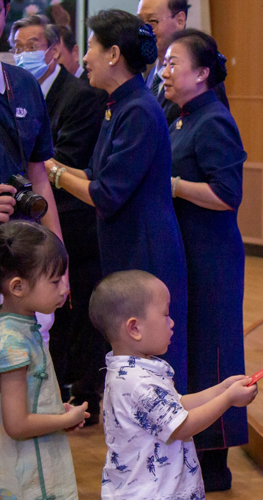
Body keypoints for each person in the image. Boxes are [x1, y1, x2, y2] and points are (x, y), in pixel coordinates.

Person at [43, 9, 189, 392]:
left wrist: (52, 173)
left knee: (150, 367)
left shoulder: (138, 109)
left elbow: (106, 193)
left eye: (90, 46)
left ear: (112, 54)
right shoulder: (117, 105)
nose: (84, 58)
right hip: (126, 242)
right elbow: (95, 176)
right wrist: (49, 164)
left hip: (145, 249)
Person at [161, 28, 247, 491]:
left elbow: (226, 194)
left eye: (175, 64)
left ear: (202, 73)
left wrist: (172, 184)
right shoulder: (179, 115)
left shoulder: (214, 119)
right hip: (188, 249)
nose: (166, 71)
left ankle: (216, 462)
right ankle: (194, 450)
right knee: (191, 351)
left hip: (212, 254)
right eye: (165, 63)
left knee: (213, 351)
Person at [89, 270, 258, 500]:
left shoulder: (136, 369)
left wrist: (221, 389)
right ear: (134, 328)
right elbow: (182, 426)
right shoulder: (138, 383)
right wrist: (227, 400)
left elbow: (175, 407)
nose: (172, 322)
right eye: (166, 314)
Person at [11, 14, 107, 420]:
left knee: (59, 329)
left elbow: (51, 169)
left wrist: (58, 257)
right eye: (19, 46)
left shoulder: (57, 92)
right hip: (22, 232)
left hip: (47, 231)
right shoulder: (22, 87)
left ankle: (64, 405)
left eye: (32, 46)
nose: (24, 54)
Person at [0, 221, 89, 500]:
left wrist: (57, 414)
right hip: (27, 469)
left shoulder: (24, 328)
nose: (64, 288)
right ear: (18, 286)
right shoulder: (11, 341)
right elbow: (16, 424)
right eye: (54, 281)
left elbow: (29, 399)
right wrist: (61, 419)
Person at [0, 1, 62, 239]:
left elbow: (38, 177)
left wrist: (59, 259)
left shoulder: (25, 84)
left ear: (5, 13)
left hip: (23, 242)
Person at [137, 0, 229, 125]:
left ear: (180, 20)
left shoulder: (202, 77)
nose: (143, 32)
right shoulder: (151, 75)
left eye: (152, 22)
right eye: (140, 23)